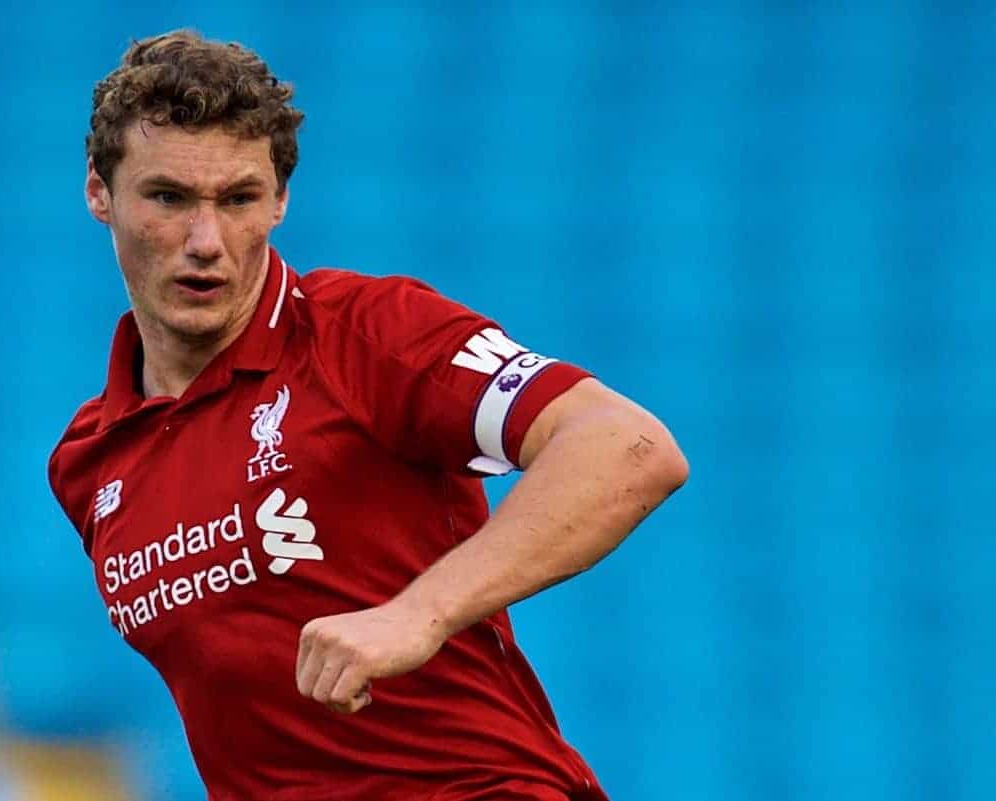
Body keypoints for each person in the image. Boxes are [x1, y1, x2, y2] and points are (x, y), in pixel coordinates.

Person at [49, 29, 688, 801]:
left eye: (240, 198)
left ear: (280, 200)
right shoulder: (90, 463)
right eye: (169, 198)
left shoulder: (365, 332)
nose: (206, 241)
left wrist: (419, 613)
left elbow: (628, 446)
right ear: (98, 192)